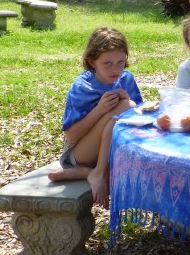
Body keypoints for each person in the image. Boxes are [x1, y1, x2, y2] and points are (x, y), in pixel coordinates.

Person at [48, 26, 143, 209]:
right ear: (92, 62)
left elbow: (139, 119)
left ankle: (86, 173)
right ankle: (97, 172)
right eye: (107, 63)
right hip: (81, 153)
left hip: (113, 152)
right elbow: (72, 136)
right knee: (127, 106)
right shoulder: (83, 87)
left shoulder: (126, 79)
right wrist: (99, 110)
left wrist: (128, 105)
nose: (115, 68)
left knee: (128, 107)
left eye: (120, 62)